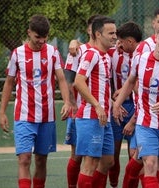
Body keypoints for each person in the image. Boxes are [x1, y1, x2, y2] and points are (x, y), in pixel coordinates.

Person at [0, 14, 71, 188]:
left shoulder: (53, 52)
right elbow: (9, 83)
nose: (42, 40)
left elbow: (61, 78)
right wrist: (1, 112)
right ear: (29, 33)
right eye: (38, 37)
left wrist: (67, 102)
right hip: (24, 116)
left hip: (47, 116)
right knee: (24, 159)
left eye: (45, 37)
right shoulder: (18, 54)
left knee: (41, 160)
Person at [113, 25, 159, 188]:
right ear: (155, 38)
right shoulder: (140, 58)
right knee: (150, 164)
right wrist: (116, 104)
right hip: (145, 123)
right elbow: (130, 82)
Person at [73, 16, 117, 187]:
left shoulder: (105, 55)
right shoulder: (91, 54)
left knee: (107, 161)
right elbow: (78, 81)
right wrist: (97, 105)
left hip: (103, 118)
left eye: (115, 32)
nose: (115, 36)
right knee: (90, 163)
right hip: (90, 116)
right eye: (111, 33)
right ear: (98, 34)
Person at [63, 14, 100, 188]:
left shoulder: (107, 52)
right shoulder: (78, 50)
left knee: (99, 159)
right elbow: (70, 80)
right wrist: (72, 104)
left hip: (99, 112)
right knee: (77, 156)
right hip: (81, 112)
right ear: (89, 30)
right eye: (93, 27)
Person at [108, 21, 143, 188]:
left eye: (121, 40)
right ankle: (114, 184)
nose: (118, 43)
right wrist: (74, 44)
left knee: (135, 154)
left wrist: (123, 91)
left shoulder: (145, 55)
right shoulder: (111, 53)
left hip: (136, 108)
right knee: (112, 155)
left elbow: (137, 83)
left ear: (130, 41)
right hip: (117, 107)